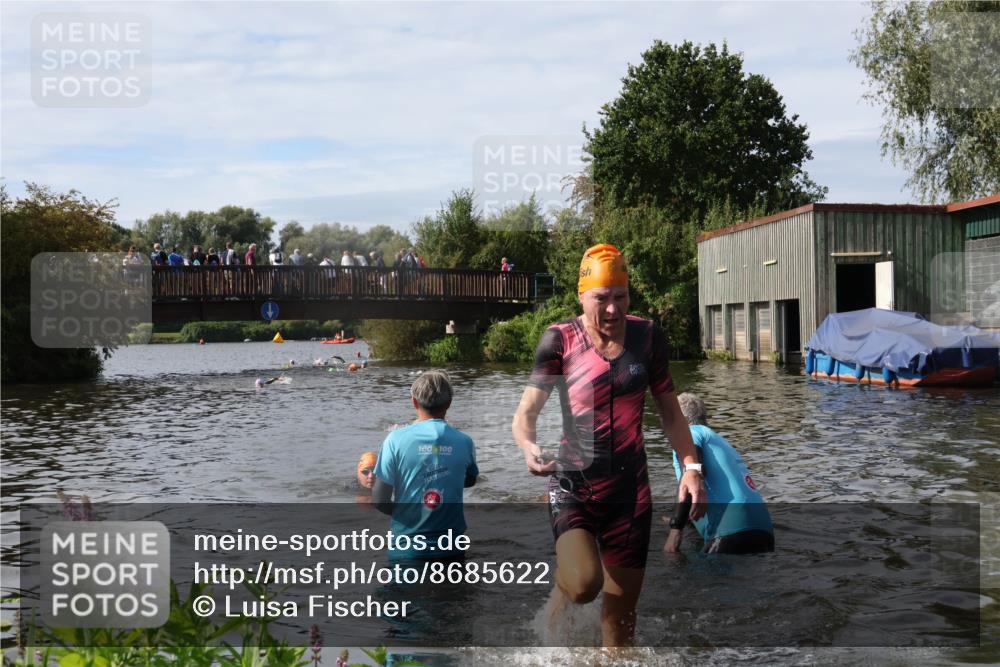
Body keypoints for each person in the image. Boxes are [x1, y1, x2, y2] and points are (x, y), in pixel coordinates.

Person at [512, 243, 706, 647]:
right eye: (602, 298)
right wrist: (528, 446)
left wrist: (691, 467)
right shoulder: (559, 340)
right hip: (574, 488)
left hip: (630, 494)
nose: (614, 309)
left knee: (620, 629)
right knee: (585, 584)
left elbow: (671, 414)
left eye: (621, 297)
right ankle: (565, 586)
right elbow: (526, 413)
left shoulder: (647, 337)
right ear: (581, 297)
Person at [372, 371, 478, 561]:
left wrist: (407, 512)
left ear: (414, 402)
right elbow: (469, 480)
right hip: (452, 549)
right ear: (449, 403)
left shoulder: (394, 440)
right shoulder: (465, 442)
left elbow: (380, 500)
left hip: (407, 549)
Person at [665, 393, 773, 554]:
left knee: (677, 567)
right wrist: (684, 519)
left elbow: (691, 476)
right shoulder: (717, 440)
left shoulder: (689, 435)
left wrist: (675, 529)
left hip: (732, 528)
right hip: (764, 530)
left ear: (679, 420)